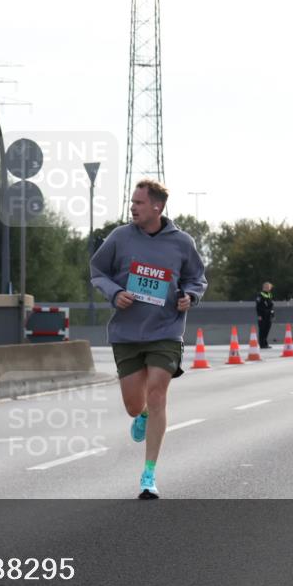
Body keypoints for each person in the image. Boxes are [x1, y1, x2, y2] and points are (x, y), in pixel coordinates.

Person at [90, 179, 207, 499]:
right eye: (132, 202)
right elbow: (97, 270)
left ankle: (148, 475)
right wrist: (115, 294)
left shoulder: (181, 242)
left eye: (139, 203)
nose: (133, 207)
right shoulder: (120, 237)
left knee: (157, 395)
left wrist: (190, 297)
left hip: (165, 330)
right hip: (127, 332)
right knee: (134, 405)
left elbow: (197, 279)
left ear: (157, 207)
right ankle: (140, 415)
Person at [255, 282, 275, 348]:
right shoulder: (260, 294)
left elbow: (271, 306)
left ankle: (265, 343)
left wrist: (273, 314)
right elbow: (258, 306)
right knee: (262, 329)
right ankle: (262, 344)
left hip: (269, 314)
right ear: (263, 287)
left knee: (267, 329)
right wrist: (259, 315)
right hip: (262, 314)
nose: (268, 288)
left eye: (269, 287)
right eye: (266, 286)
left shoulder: (270, 295)